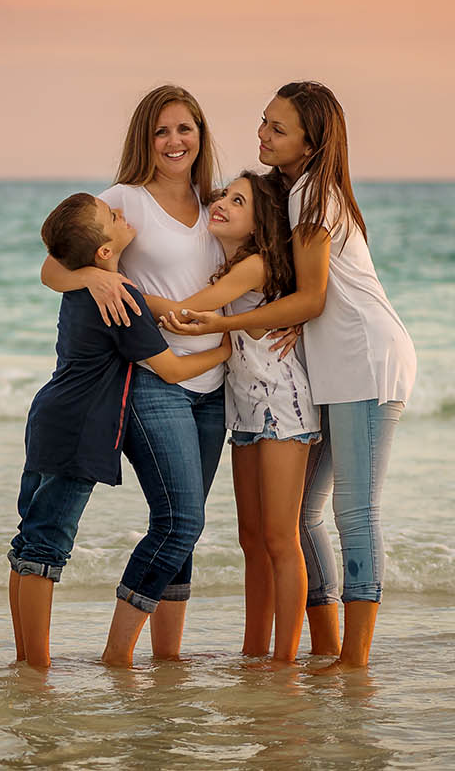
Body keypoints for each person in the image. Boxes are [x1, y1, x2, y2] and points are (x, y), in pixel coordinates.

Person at [163, 81, 416, 672]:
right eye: (263, 123)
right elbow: (300, 295)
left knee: (357, 512)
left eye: (278, 128)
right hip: (330, 371)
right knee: (303, 517)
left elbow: (308, 300)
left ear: (312, 140)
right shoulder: (301, 193)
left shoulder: (316, 197)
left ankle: (353, 666)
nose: (263, 136)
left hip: (365, 363)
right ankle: (324, 650)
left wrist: (238, 322)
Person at [38, 85, 228, 668]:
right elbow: (54, 266)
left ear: (201, 135)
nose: (175, 141)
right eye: (162, 131)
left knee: (185, 530)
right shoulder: (124, 199)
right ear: (145, 139)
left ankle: (167, 663)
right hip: (154, 381)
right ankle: (116, 657)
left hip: (215, 390)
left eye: (185, 129)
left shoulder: (216, 204)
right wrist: (97, 281)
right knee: (179, 519)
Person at [140, 172, 321, 665]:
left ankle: (283, 661)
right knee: (251, 539)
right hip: (242, 406)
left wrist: (119, 288)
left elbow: (183, 313)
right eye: (222, 195)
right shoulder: (231, 263)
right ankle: (253, 653)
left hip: (282, 405)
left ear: (260, 223)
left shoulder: (255, 265)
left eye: (237, 201)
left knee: (281, 539)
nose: (220, 203)